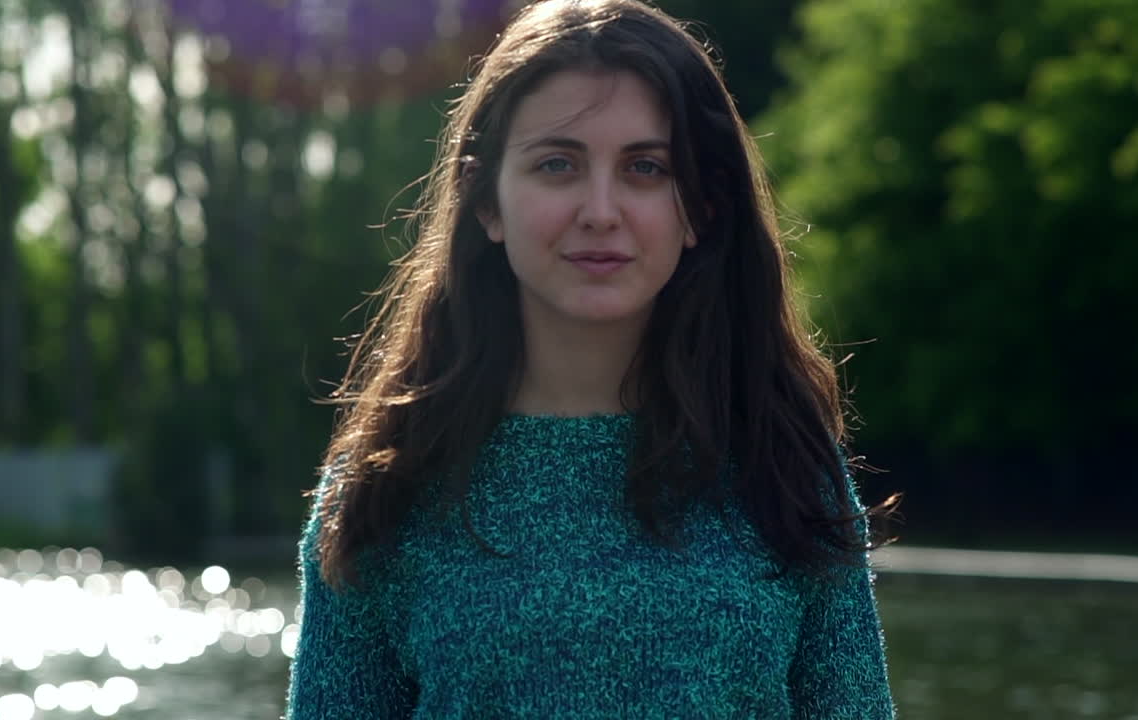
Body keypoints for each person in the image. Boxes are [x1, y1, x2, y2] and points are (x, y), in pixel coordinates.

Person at [285, 0, 898, 717]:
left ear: (700, 206)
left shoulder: (787, 471)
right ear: (486, 202)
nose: (600, 210)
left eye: (645, 167)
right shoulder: (383, 492)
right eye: (557, 165)